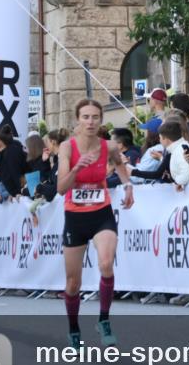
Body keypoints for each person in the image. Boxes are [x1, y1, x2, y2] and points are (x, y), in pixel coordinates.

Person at [57, 98, 135, 349]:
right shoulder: (67, 148)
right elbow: (61, 189)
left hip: (101, 212)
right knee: (73, 283)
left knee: (105, 263)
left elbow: (121, 164)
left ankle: (103, 319)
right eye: (85, 117)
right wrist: (76, 168)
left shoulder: (108, 146)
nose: (90, 122)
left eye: (95, 117)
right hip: (75, 216)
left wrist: (128, 186)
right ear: (77, 120)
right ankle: (73, 328)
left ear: (101, 120)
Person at [0, 127, 28, 199]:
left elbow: (15, 174)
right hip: (6, 186)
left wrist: (16, 193)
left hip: (18, 187)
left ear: (1, 141)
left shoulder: (12, 152)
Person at [159, 120, 189, 189]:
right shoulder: (177, 149)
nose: (159, 140)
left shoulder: (180, 150)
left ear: (165, 138)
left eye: (160, 138)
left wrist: (177, 182)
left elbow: (187, 174)